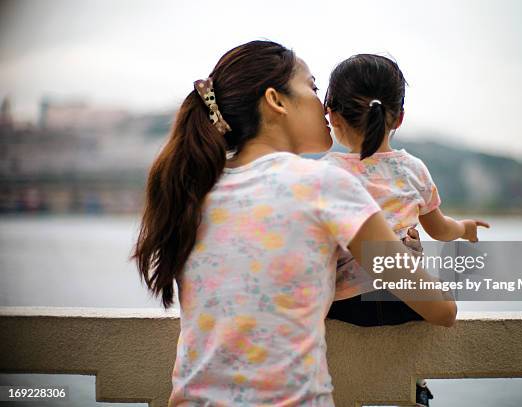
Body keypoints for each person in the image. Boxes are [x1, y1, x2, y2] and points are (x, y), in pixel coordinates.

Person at [131, 41, 456, 407]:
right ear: (276, 101)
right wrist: (407, 258)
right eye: (313, 87)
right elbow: (441, 310)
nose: (326, 104)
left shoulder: (195, 189)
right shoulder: (324, 186)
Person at [323, 54, 489, 406]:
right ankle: (417, 393)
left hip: (343, 304)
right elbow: (440, 228)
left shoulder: (324, 173)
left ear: (332, 116)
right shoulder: (413, 169)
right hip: (405, 302)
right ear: (398, 117)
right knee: (443, 303)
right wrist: (465, 229)